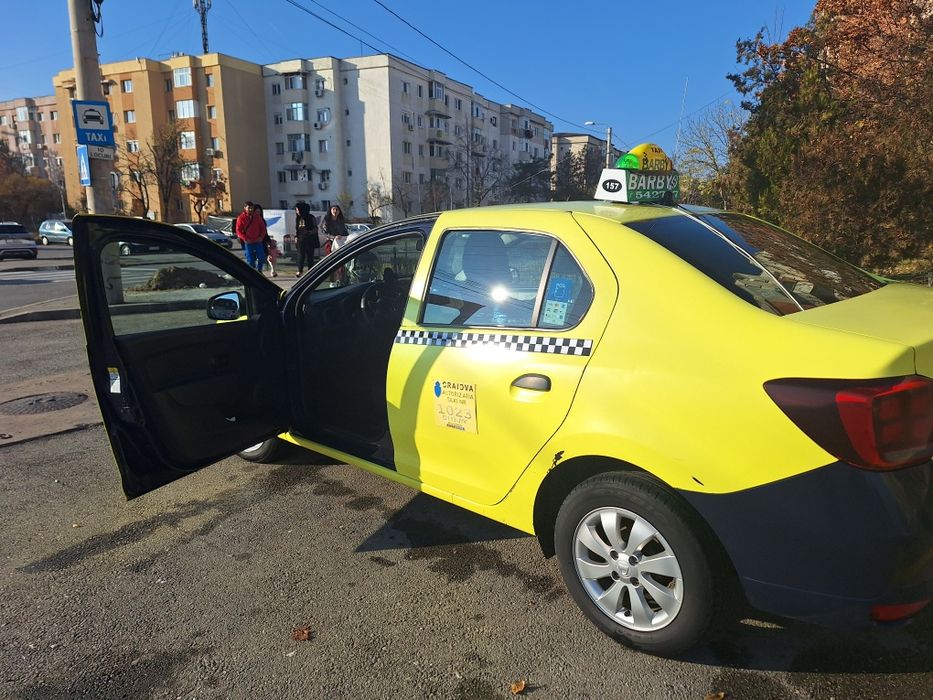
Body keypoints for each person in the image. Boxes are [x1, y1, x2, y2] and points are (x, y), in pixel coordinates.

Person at [236, 201, 267, 273]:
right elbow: (238, 230)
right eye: (249, 208)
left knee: (261, 257)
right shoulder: (241, 218)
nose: (250, 209)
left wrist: (261, 237)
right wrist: (245, 238)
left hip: (258, 241)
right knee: (250, 260)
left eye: (252, 208)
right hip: (248, 242)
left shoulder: (257, 217)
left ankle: (259, 271)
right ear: (245, 208)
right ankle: (252, 272)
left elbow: (263, 228)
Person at [294, 201, 318, 276]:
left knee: (310, 256)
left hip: (310, 240)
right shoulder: (298, 218)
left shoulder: (311, 217)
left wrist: (308, 232)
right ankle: (300, 271)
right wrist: (296, 237)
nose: (297, 211)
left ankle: (310, 271)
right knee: (301, 255)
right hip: (301, 240)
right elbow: (297, 230)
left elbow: (315, 229)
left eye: (297, 209)